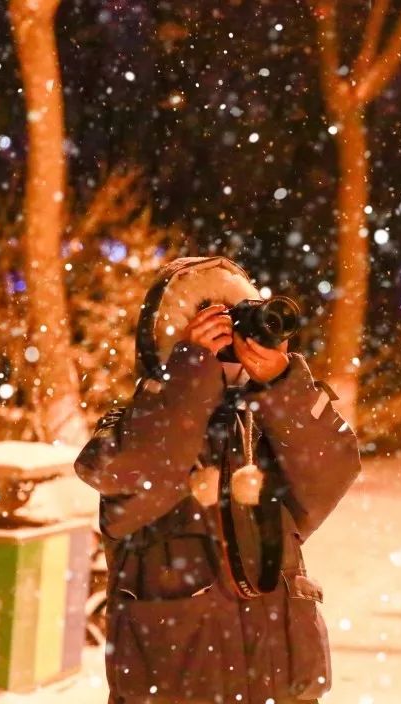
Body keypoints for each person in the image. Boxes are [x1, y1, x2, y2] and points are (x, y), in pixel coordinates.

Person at [75, 256, 361, 704]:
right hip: (178, 681)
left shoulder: (266, 420)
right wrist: (189, 372)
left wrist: (282, 384)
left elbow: (329, 478)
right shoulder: (134, 420)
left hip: (277, 679)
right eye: (210, 322)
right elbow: (137, 482)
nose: (228, 335)